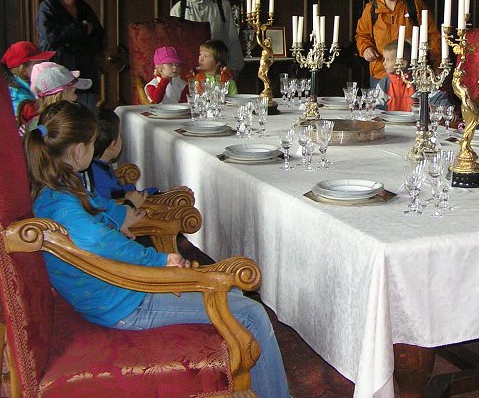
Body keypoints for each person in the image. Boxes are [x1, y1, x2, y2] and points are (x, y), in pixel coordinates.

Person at [26, 101, 289, 397]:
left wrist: (120, 218)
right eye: (91, 143)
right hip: (125, 301)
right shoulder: (63, 206)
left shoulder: (55, 192)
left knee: (234, 294)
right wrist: (161, 263)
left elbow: (97, 207)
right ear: (78, 151)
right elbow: (98, 241)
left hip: (116, 291)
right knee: (252, 313)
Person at [355, 0, 441, 87]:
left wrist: (436, 64)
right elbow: (362, 34)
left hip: (411, 74)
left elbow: (433, 37)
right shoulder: (371, 9)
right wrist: (366, 48)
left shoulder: (414, 5)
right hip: (380, 72)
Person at [36, 0, 105, 109]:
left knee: (87, 114)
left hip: (85, 71)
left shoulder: (84, 7)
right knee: (63, 115)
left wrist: (73, 40)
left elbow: (99, 37)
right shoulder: (47, 8)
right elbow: (52, 38)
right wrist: (80, 29)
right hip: (60, 75)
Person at [170, 0, 244, 74]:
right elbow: (175, 43)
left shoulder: (222, 5)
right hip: (190, 70)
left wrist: (235, 68)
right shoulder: (179, 9)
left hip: (218, 69)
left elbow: (232, 37)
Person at [372, 40, 450, 111]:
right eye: (384, 59)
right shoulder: (384, 84)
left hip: (415, 122)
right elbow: (376, 107)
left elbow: (438, 98)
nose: (383, 63)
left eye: (388, 60)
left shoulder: (418, 81)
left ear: (403, 63)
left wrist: (446, 109)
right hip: (389, 122)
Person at [23, 62, 92, 135]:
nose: (76, 97)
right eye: (73, 92)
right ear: (60, 95)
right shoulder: (73, 123)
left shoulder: (33, 125)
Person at [0, 40, 55, 118]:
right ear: (22, 69)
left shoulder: (32, 84)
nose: (42, 66)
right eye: (38, 63)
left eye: (42, 62)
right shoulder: (17, 95)